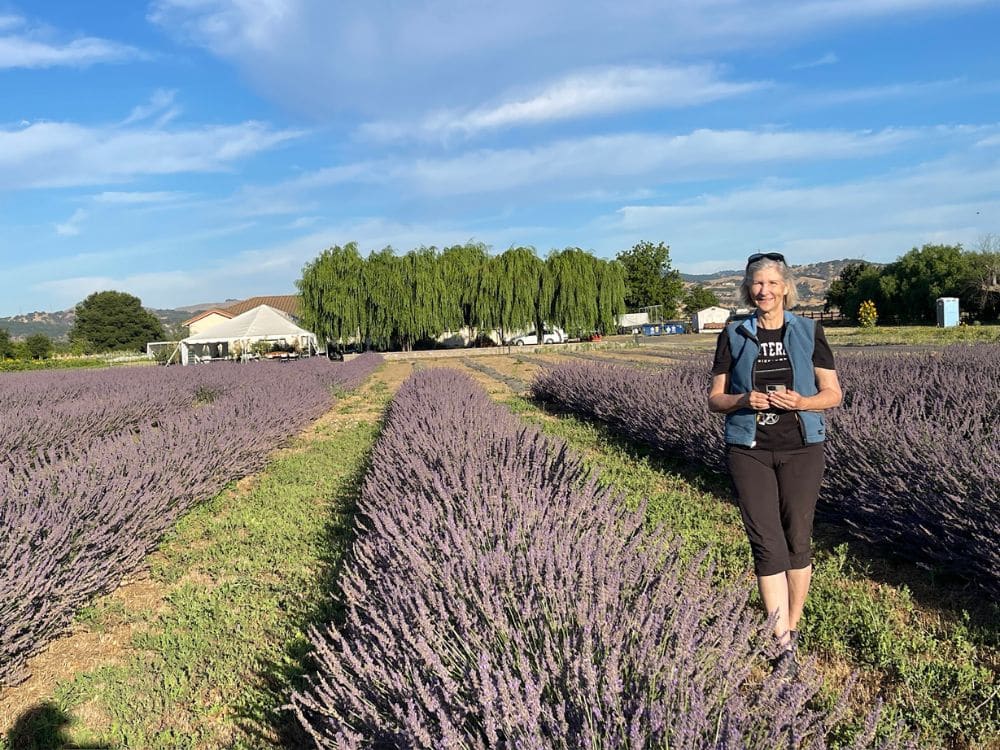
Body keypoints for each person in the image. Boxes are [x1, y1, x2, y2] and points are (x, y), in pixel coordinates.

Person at [707, 252, 842, 676]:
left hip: (802, 446)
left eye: (770, 283)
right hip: (749, 449)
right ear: (748, 290)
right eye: (755, 284)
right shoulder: (733, 334)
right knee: (766, 543)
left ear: (785, 287)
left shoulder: (809, 331)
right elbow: (715, 398)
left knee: (797, 538)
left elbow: (833, 393)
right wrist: (744, 400)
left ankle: (794, 624)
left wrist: (802, 402)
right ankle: (781, 643)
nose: (762, 291)